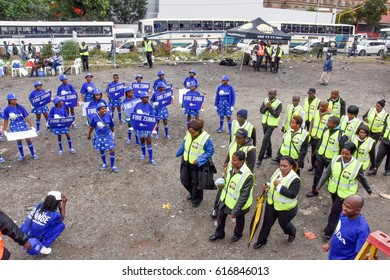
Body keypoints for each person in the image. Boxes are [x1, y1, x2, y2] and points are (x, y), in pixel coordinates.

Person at [316, 142, 372, 239]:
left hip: (346, 194)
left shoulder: (357, 165)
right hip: (334, 190)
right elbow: (327, 173)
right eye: (343, 153)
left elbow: (362, 178)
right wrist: (319, 184)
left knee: (335, 211)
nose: (344, 156)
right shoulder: (335, 159)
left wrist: (368, 189)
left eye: (347, 154)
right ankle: (343, 222)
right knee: (338, 210)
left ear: (352, 154)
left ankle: (328, 232)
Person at [253, 156, 301, 249]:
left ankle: (292, 232)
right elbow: (272, 182)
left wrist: (279, 186)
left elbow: (292, 194)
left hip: (286, 208)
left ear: (291, 166)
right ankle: (261, 241)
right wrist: (266, 185)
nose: (282, 168)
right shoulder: (277, 171)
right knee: (267, 223)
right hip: (271, 203)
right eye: (280, 165)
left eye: (285, 166)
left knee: (284, 224)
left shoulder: (295, 179)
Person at [210, 128, 256, 219]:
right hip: (229, 171)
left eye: (239, 138)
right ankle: (216, 209)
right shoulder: (233, 143)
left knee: (235, 193)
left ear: (245, 138)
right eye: (236, 137)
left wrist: (238, 173)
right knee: (221, 191)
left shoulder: (251, 150)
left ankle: (234, 211)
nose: (237, 140)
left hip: (239, 176)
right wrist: (226, 163)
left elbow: (250, 167)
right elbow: (229, 155)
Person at [209, 150, 254, 242]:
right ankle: (219, 234)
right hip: (225, 198)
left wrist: (235, 211)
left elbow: (244, 196)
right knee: (220, 217)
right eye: (231, 159)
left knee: (239, 220)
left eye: (234, 160)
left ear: (242, 161)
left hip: (238, 204)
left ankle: (238, 234)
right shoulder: (230, 165)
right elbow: (227, 178)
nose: (232, 162)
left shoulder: (248, 176)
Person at [177, 119, 214, 208]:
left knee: (197, 184)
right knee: (184, 180)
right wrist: (179, 152)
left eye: (193, 132)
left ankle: (197, 199)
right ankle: (192, 193)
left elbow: (210, 151)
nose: (191, 134)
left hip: (198, 165)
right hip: (186, 162)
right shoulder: (188, 133)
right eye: (190, 131)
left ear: (199, 130)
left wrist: (200, 160)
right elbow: (184, 143)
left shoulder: (206, 138)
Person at [307, 116, 347, 197]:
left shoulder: (341, 135)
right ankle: (314, 190)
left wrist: (338, 159)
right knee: (317, 175)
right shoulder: (325, 130)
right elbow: (321, 141)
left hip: (331, 159)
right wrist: (317, 151)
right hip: (321, 156)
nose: (327, 123)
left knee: (331, 176)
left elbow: (342, 149)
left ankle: (333, 192)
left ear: (335, 124)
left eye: (329, 122)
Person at [322, 194, 370, 260]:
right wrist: (329, 244)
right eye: (344, 204)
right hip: (332, 257)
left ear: (358, 210)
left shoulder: (362, 229)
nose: (344, 208)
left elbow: (362, 254)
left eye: (348, 207)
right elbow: (337, 231)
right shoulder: (344, 215)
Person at [2, 93, 39, 161]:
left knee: (28, 139)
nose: (15, 100)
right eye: (13, 99)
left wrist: (31, 126)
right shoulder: (7, 109)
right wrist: (5, 129)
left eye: (15, 99)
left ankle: (33, 153)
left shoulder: (20, 107)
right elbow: (6, 120)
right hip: (14, 126)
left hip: (22, 125)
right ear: (9, 100)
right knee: (18, 140)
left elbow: (26, 117)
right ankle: (22, 154)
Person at [87, 102, 118, 172]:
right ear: (98, 110)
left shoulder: (109, 115)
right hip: (99, 136)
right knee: (101, 149)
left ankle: (112, 165)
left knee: (112, 149)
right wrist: (89, 134)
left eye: (105, 108)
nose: (104, 110)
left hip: (108, 135)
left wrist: (113, 132)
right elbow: (91, 126)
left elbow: (111, 125)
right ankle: (104, 163)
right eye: (102, 109)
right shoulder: (95, 117)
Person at [256, 90, 282, 166]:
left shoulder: (279, 103)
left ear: (275, 94)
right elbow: (261, 111)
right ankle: (269, 153)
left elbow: (276, 115)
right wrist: (266, 107)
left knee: (265, 140)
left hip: (272, 124)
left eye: (271, 94)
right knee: (267, 138)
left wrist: (270, 108)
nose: (270, 96)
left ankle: (259, 159)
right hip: (265, 123)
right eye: (269, 94)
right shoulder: (265, 100)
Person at [363, 99, 388, 173]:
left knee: (372, 146)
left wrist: (382, 134)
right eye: (376, 105)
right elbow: (364, 116)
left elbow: (385, 125)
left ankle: (371, 160)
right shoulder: (371, 110)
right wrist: (365, 119)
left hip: (376, 133)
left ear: (382, 107)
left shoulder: (385, 115)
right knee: (365, 144)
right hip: (368, 131)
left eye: (378, 106)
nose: (376, 107)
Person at [308, 101, 332, 171]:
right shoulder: (316, 112)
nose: (321, 107)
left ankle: (316, 167)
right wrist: (310, 132)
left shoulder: (330, 115)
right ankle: (312, 165)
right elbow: (312, 123)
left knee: (318, 154)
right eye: (320, 106)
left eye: (323, 106)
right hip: (313, 136)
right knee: (313, 153)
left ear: (327, 107)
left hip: (321, 138)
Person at [133, 92, 157, 165]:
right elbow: (134, 115)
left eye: (148, 97)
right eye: (145, 97)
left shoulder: (149, 106)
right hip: (140, 126)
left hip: (147, 126)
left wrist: (153, 128)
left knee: (149, 141)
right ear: (142, 98)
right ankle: (143, 153)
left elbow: (153, 116)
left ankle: (151, 158)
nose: (147, 98)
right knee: (142, 140)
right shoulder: (137, 105)